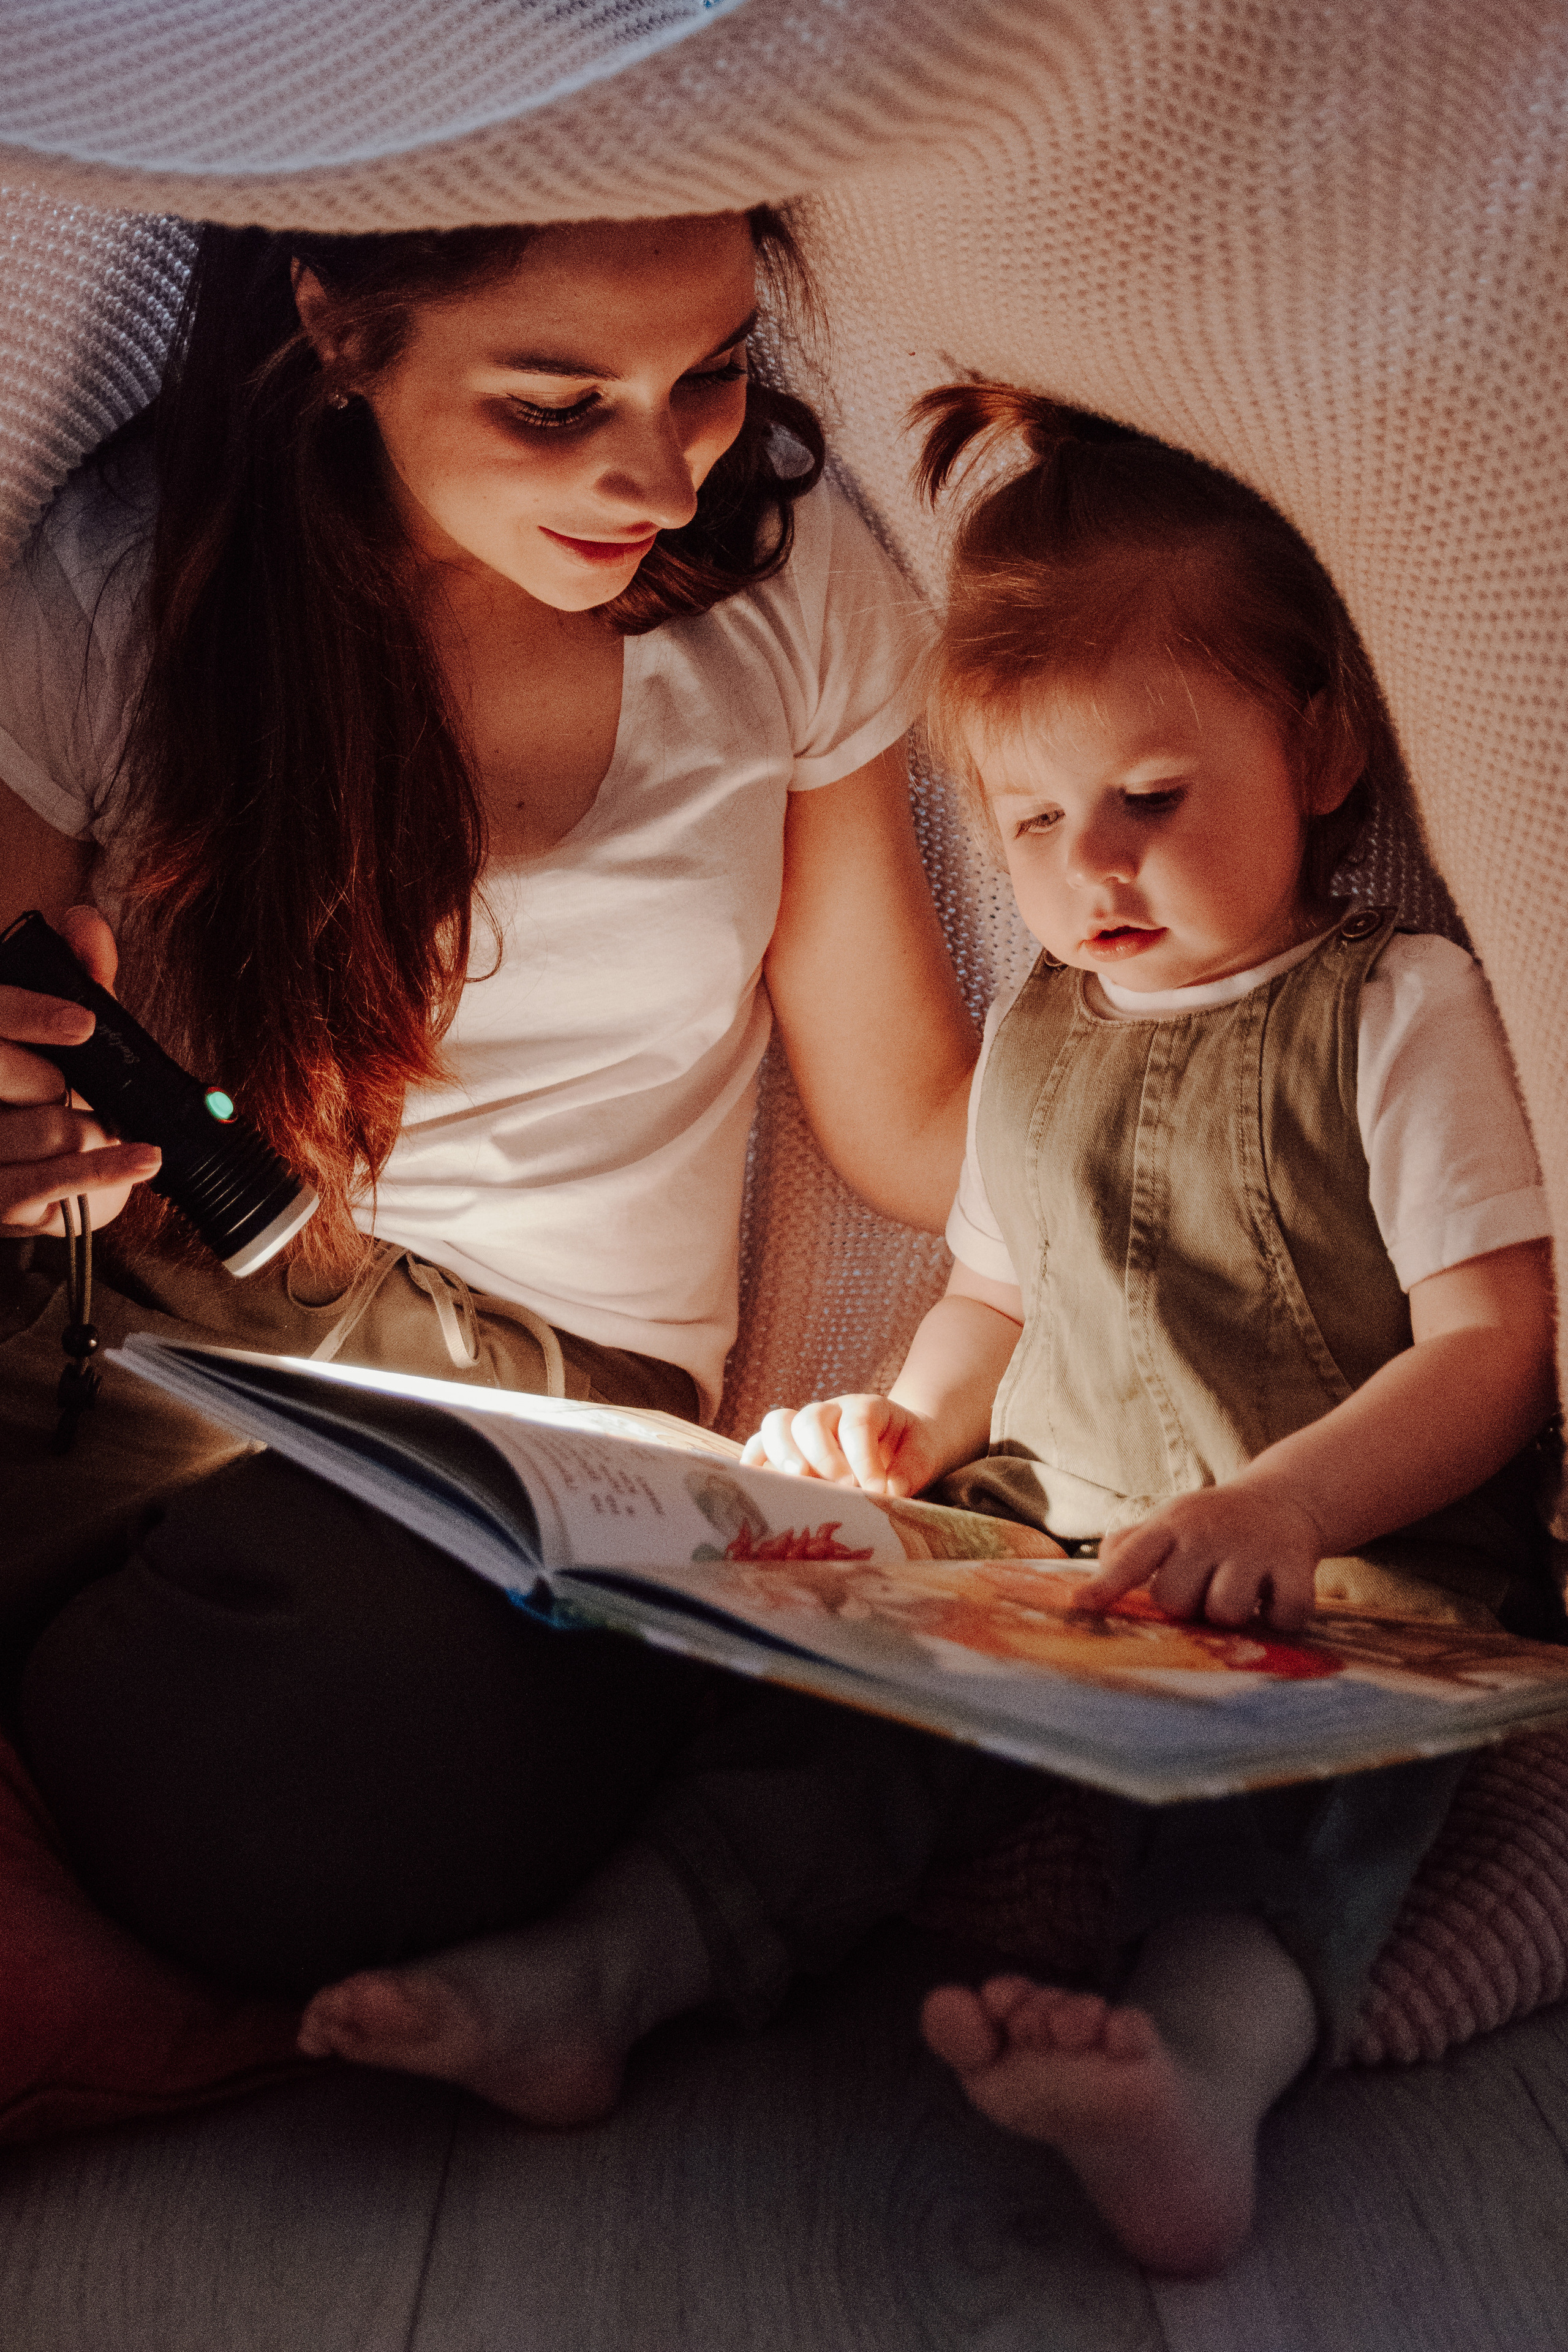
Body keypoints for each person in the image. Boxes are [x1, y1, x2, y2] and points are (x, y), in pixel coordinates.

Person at [0, 213, 1020, 2124]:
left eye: (709, 371)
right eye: (558, 407)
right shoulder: (136, 577)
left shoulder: (780, 590)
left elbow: (904, 1121)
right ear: (338, 327)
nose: (662, 468)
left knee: (285, 1784)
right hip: (131, 1309)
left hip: (539, 1406)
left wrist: (1207, 1139)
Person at [742, 383, 1560, 2274]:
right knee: (830, 1722)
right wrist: (907, 1430)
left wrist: (1284, 1509)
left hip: (1347, 1574)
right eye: (1031, 817)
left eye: (1152, 801)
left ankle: (1196, 2071)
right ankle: (628, 1959)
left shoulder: (1396, 1002)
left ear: (1325, 745)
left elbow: (1495, 1340)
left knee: (1300, 1815)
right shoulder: (1035, 1035)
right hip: (1072, 1556)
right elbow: (994, 1296)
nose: (1089, 867)